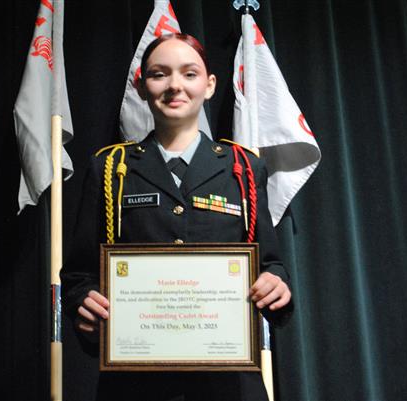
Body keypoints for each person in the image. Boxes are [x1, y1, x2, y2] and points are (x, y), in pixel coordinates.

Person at [62, 33, 292, 401]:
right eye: (159, 74)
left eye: (189, 74)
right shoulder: (110, 168)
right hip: (135, 384)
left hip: (228, 383)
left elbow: (272, 263)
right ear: (140, 86)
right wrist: (83, 300)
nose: (174, 86)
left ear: (210, 85)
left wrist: (276, 285)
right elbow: (78, 274)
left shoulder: (244, 168)